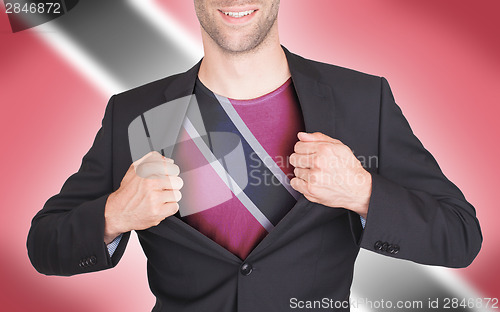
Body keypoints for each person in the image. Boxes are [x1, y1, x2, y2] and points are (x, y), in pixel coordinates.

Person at [27, 0, 482, 311]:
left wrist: (363, 192)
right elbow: (44, 245)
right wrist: (114, 214)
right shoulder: (135, 113)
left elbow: (460, 235)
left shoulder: (363, 100)